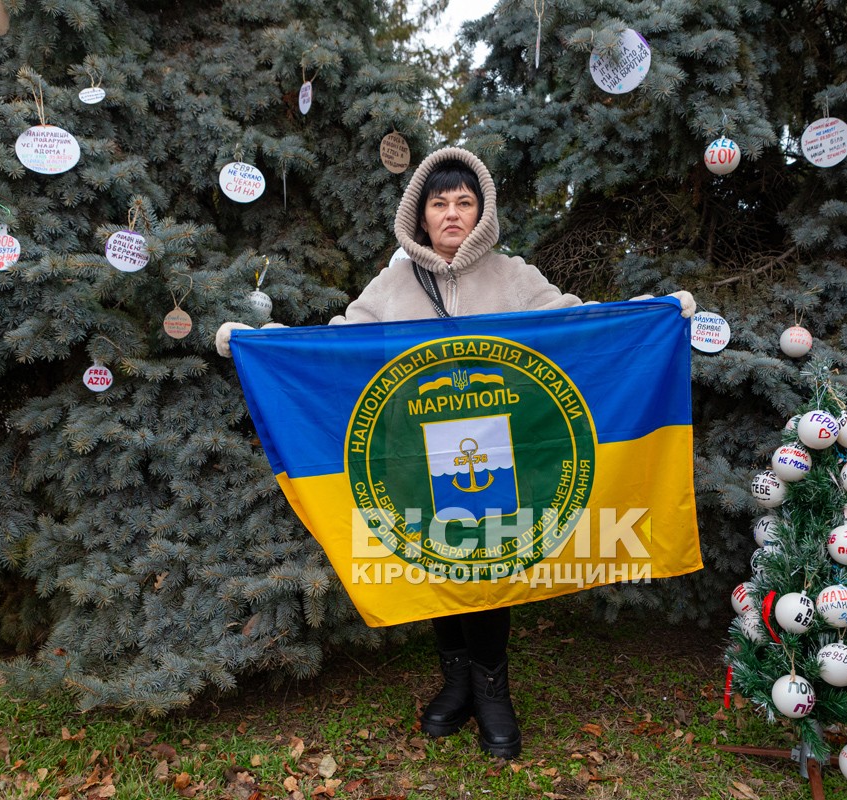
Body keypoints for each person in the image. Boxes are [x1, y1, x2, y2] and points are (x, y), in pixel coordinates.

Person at [217, 146, 694, 758]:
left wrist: (653, 316)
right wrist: (269, 346)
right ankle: (457, 683)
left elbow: (581, 324)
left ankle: (494, 687)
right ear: (419, 215)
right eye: (439, 203)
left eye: (463, 202)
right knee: (442, 564)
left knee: (493, 564)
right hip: (418, 455)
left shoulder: (513, 276)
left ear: (482, 212)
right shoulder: (393, 284)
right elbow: (337, 345)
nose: (451, 214)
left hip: (503, 453)